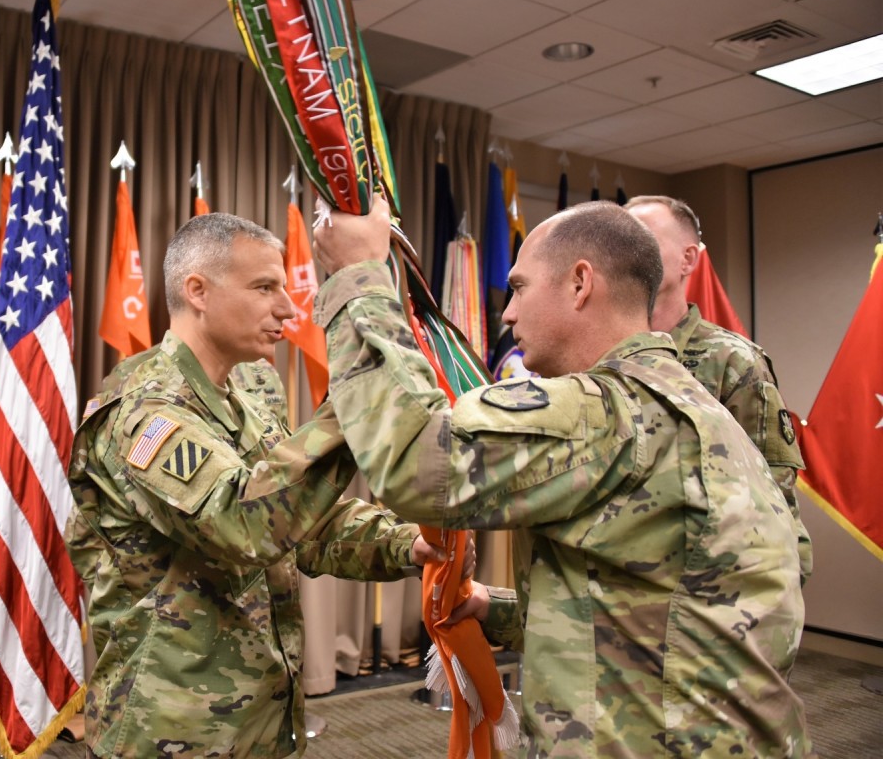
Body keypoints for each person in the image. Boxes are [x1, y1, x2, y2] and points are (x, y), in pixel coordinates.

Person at [310, 198, 813, 757]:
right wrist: (495, 611)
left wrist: (356, 277)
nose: (506, 314)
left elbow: (415, 466)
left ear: (579, 284)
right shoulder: (694, 404)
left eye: (519, 288)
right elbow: (660, 603)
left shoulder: (606, 412)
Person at [67, 211, 438, 759]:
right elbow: (244, 524)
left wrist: (411, 545)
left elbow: (302, 523)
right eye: (265, 288)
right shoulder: (143, 410)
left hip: (263, 719)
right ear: (198, 291)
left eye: (284, 289)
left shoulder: (254, 388)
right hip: (172, 731)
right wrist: (361, 403)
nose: (288, 310)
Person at [624, 194, 812, 584]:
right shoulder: (601, 357)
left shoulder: (732, 362)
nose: (628, 253)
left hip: (707, 595)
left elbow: (773, 501)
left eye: (644, 241)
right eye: (622, 241)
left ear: (688, 259)